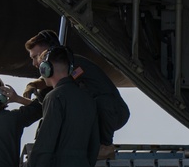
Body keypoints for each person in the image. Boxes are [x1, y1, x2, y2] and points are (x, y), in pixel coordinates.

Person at [24, 30, 129, 160]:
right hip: (93, 116)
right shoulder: (55, 88)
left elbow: (66, 76)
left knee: (102, 102)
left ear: (50, 50)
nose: (35, 63)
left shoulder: (74, 64)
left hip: (113, 112)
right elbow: (43, 106)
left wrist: (34, 84)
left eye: (36, 56)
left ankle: (106, 146)